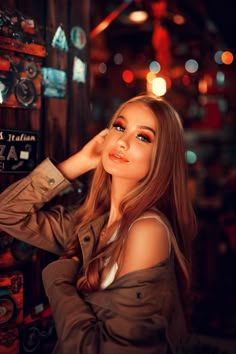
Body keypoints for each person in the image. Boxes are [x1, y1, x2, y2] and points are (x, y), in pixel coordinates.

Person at [0, 94, 197, 354]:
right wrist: (80, 162)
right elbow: (8, 212)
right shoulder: (90, 223)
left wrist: (59, 280)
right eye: (119, 127)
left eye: (142, 137)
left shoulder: (148, 229)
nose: (122, 141)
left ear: (162, 158)